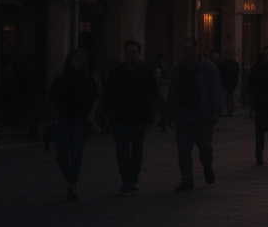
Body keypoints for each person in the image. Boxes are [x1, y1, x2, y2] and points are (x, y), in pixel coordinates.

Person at [165, 38, 223, 192]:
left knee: (205, 148)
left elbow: (216, 89)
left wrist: (216, 111)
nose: (186, 51)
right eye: (183, 48)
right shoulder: (178, 69)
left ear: (196, 49)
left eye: (188, 48)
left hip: (202, 115)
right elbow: (173, 92)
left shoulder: (208, 68)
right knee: (183, 150)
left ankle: (207, 166)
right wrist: (169, 114)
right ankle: (187, 179)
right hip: (184, 115)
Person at [105, 40, 159, 196]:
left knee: (137, 149)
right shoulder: (117, 71)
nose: (130, 54)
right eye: (128, 51)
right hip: (119, 116)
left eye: (133, 51)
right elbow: (109, 93)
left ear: (139, 53)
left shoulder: (145, 71)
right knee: (121, 149)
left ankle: (132, 178)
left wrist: (156, 111)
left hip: (139, 116)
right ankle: (127, 180)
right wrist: (109, 113)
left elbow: (153, 92)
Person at [51, 49, 99, 200]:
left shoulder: (88, 79)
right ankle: (72, 181)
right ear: (70, 60)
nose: (80, 61)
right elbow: (54, 101)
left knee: (76, 152)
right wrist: (52, 119)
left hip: (82, 119)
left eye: (82, 58)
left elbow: (96, 98)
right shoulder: (60, 80)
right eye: (77, 58)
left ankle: (72, 185)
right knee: (61, 154)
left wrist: (91, 115)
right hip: (65, 118)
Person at [218, 52, 241, 117]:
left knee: (229, 96)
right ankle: (229, 110)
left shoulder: (227, 63)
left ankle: (229, 110)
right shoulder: (232, 63)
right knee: (229, 97)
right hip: (230, 82)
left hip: (229, 83)